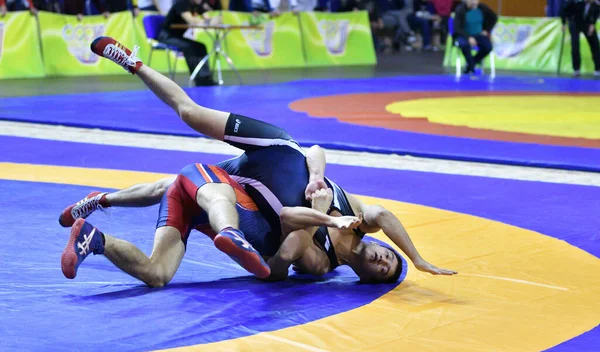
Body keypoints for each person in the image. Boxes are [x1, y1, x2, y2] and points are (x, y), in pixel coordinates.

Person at [63, 35, 456, 282]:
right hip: (278, 151)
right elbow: (317, 152)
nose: (385, 261)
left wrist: (322, 216)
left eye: (384, 269)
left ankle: (99, 213)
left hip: (239, 183)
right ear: (382, 244)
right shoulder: (360, 219)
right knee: (189, 114)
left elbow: (283, 245)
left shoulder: (321, 264)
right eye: (391, 256)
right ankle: (134, 62)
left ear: (367, 278)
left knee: (173, 199)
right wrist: (417, 259)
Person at [61, 161, 363, 287]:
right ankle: (100, 200)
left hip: (193, 208)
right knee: (208, 200)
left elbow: (283, 263)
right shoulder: (303, 219)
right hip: (212, 186)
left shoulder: (303, 256)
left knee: (157, 275)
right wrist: (324, 213)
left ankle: (94, 238)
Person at [159, 0, 214, 85]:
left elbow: (208, 19)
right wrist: (206, 21)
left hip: (178, 37)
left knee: (201, 46)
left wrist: (212, 20)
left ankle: (205, 77)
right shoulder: (182, 3)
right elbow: (191, 21)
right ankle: (197, 79)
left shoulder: (197, 6)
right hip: (167, 36)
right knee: (189, 47)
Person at [453, 0, 497, 74]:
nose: (474, 3)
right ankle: (471, 66)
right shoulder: (460, 10)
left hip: (478, 34)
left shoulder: (482, 7)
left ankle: (471, 64)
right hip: (463, 34)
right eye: (472, 1)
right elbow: (457, 28)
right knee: (465, 45)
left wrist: (487, 30)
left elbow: (494, 17)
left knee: (488, 47)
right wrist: (469, 37)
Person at [561, 0, 600, 77]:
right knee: (575, 45)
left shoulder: (596, 4)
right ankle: (576, 69)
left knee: (595, 45)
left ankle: (598, 69)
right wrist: (563, 23)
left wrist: (592, 24)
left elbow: (596, 14)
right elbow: (564, 10)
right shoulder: (575, 2)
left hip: (587, 23)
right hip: (575, 23)